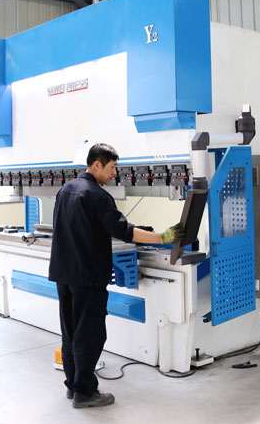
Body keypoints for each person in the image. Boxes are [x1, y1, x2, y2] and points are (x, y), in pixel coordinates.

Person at [49, 143, 184, 409]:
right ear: (96, 164)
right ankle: (85, 392)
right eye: (112, 167)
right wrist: (161, 237)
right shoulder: (97, 196)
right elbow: (125, 231)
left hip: (64, 274)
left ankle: (73, 386)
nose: (115, 173)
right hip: (87, 276)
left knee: (71, 332)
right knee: (90, 334)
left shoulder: (66, 190)